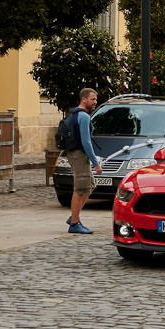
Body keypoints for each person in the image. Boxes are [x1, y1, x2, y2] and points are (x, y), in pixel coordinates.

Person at [60, 87, 101, 235]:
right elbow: (86, 142)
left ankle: (73, 216)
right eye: (92, 99)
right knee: (80, 189)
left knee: (90, 185)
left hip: (74, 154)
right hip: (79, 155)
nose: (95, 102)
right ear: (84, 99)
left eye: (95, 99)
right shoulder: (83, 116)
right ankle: (75, 223)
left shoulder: (74, 113)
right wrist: (95, 162)